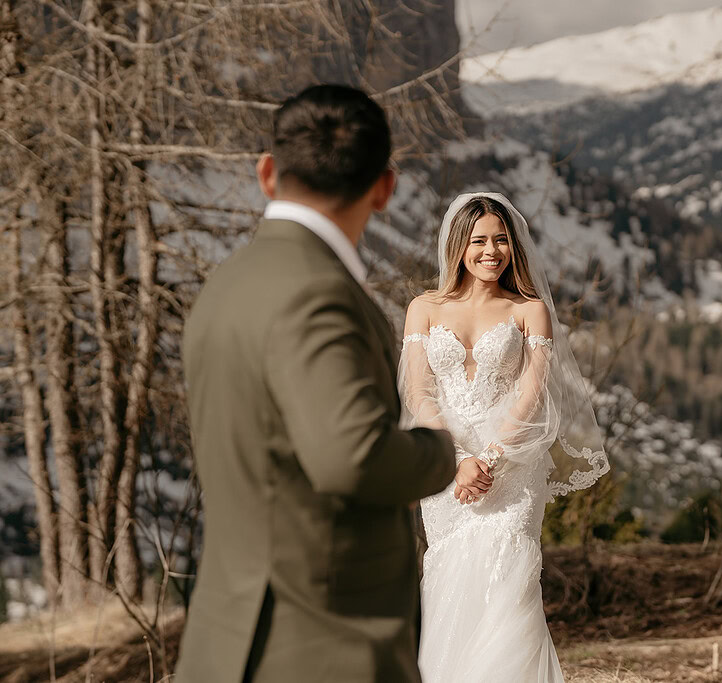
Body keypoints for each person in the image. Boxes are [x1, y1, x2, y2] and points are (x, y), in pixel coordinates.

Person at [176, 84, 457, 683]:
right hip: (320, 644)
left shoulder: (229, 281)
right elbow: (352, 457)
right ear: (384, 188)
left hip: (230, 637)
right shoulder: (319, 293)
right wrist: (438, 447)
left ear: (267, 172)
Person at [399, 192, 611, 682]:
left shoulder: (528, 310)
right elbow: (418, 391)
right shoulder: (423, 308)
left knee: (507, 586)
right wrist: (456, 458)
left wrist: (490, 458)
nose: (491, 250)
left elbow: (532, 397)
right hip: (447, 467)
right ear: (458, 246)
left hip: (512, 466)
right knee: (450, 579)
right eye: (479, 240)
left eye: (500, 240)